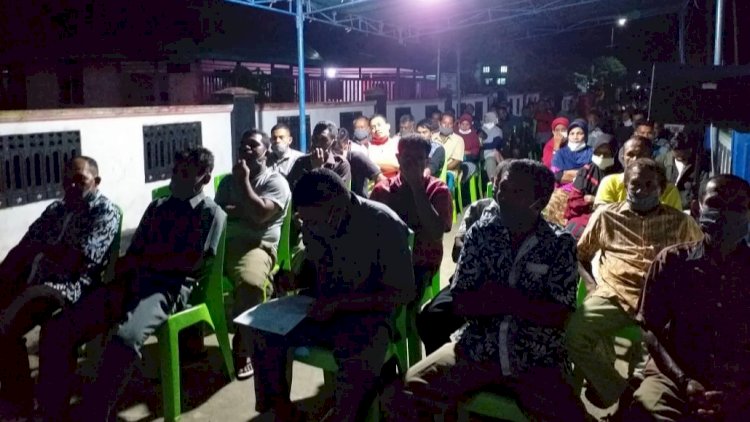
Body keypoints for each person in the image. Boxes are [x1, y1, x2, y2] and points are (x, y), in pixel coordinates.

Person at [383, 159, 586, 421]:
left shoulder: (559, 245)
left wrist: (497, 298)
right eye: (503, 189)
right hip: (477, 348)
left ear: (541, 201)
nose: (504, 198)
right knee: (403, 392)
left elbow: (559, 315)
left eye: (517, 192)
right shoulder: (481, 233)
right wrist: (525, 302)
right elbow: (461, 301)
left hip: (536, 357)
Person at [36, 147, 227, 421]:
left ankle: (94, 414)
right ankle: (52, 410)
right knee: (59, 327)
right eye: (175, 171)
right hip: (134, 280)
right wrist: (114, 276)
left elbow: (190, 263)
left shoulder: (210, 214)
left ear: (204, 178)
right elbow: (135, 251)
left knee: (125, 339)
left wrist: (147, 261)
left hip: (167, 289)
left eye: (185, 174)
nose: (175, 178)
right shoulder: (158, 207)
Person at [250, 169, 415, 422]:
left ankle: (346, 416)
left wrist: (341, 304)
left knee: (358, 358)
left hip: (368, 313)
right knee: (263, 330)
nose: (308, 228)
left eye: (313, 221)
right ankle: (279, 409)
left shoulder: (382, 223)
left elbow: (403, 292)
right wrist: (296, 280)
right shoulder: (316, 223)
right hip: (322, 306)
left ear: (337, 207)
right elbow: (316, 267)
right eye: (304, 221)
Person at [566, 158, 704, 411]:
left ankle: (635, 401)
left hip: (661, 303)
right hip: (614, 294)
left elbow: (700, 257)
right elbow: (579, 255)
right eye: (635, 184)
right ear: (625, 185)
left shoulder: (680, 222)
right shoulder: (606, 216)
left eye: (649, 185)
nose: (641, 190)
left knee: (655, 364)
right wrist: (592, 286)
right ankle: (620, 390)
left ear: (662, 188)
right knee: (575, 335)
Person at [0, 156, 120, 416]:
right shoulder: (56, 209)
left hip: (70, 287)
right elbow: (24, 246)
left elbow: (78, 260)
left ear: (96, 181)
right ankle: (17, 397)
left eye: (80, 180)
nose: (72, 186)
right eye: (67, 181)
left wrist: (42, 249)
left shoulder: (104, 212)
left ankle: (32, 404)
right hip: (36, 279)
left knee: (8, 324)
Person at [627, 175, 750, 421]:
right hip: (676, 374)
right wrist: (684, 381)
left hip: (740, 382)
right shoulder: (672, 262)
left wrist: (739, 394)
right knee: (647, 409)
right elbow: (650, 329)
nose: (726, 214)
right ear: (696, 208)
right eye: (716, 204)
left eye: (737, 207)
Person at [215, 130, 291, 379]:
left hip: (256, 246)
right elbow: (218, 212)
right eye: (243, 145)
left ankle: (243, 346)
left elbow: (259, 215)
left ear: (266, 152)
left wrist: (244, 185)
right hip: (223, 244)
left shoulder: (275, 182)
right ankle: (190, 339)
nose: (246, 149)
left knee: (251, 284)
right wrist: (244, 209)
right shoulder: (227, 182)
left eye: (253, 145)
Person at [370, 134, 453, 298]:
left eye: (419, 158)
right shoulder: (382, 190)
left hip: (421, 262)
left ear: (427, 161)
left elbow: (437, 232)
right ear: (398, 159)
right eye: (407, 158)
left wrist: (417, 187)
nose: (413, 164)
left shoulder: (438, 190)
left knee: (402, 289)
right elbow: (369, 230)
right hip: (386, 259)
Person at [416, 196, 494, 355]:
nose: (500, 189)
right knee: (429, 319)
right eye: (499, 185)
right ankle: (450, 363)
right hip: (469, 283)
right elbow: (457, 251)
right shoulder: (480, 209)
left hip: (502, 291)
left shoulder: (527, 222)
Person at [595, 137, 683, 210]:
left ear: (651, 157)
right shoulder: (610, 183)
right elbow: (603, 216)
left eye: (641, 155)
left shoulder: (668, 189)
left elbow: (674, 220)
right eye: (630, 155)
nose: (635, 159)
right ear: (623, 158)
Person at [564, 135, 618, 238]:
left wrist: (595, 200)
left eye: (606, 154)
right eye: (598, 153)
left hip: (609, 217)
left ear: (614, 153)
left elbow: (619, 204)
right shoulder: (586, 171)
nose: (601, 157)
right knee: (571, 230)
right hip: (584, 215)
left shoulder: (619, 175)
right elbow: (575, 201)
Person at [287, 121, 352, 188]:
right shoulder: (301, 162)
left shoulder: (341, 164)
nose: (317, 143)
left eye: (323, 140)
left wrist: (318, 169)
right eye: (315, 139)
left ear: (333, 143)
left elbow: (338, 193)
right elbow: (292, 189)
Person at [656, 131, 710, 211]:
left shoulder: (700, 165)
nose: (681, 156)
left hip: (686, 208)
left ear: (690, 149)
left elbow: (703, 189)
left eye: (684, 153)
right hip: (663, 206)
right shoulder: (661, 161)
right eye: (677, 153)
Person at [335, 127, 385, 198]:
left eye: (339, 151)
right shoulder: (327, 160)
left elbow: (381, 180)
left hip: (359, 202)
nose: (336, 157)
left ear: (348, 144)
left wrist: (373, 199)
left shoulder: (358, 158)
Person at [551, 118, 593, 186]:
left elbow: (593, 175)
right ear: (568, 136)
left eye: (579, 133)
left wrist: (566, 173)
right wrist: (581, 173)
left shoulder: (592, 153)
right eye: (572, 134)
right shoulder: (560, 153)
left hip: (586, 189)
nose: (575, 137)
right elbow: (556, 176)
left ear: (585, 136)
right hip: (563, 190)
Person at [433, 112, 465, 187]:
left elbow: (456, 160)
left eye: (450, 123)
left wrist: (442, 170)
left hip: (449, 171)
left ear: (453, 125)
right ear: (439, 123)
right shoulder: (433, 137)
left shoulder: (458, 140)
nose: (447, 126)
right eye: (444, 123)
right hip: (433, 169)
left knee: (447, 180)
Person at [368, 114, 401, 178]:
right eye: (373, 127)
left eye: (379, 125)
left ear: (388, 126)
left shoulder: (397, 143)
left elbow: (399, 166)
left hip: (395, 181)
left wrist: (373, 162)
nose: (377, 129)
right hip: (375, 182)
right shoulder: (367, 146)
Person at [479, 111, 504, 180]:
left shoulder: (497, 130)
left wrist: (482, 145)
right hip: (481, 154)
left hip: (492, 153)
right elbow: (477, 143)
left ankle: (493, 182)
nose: (487, 120)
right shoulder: (481, 129)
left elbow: (494, 145)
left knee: (490, 160)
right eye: (486, 118)